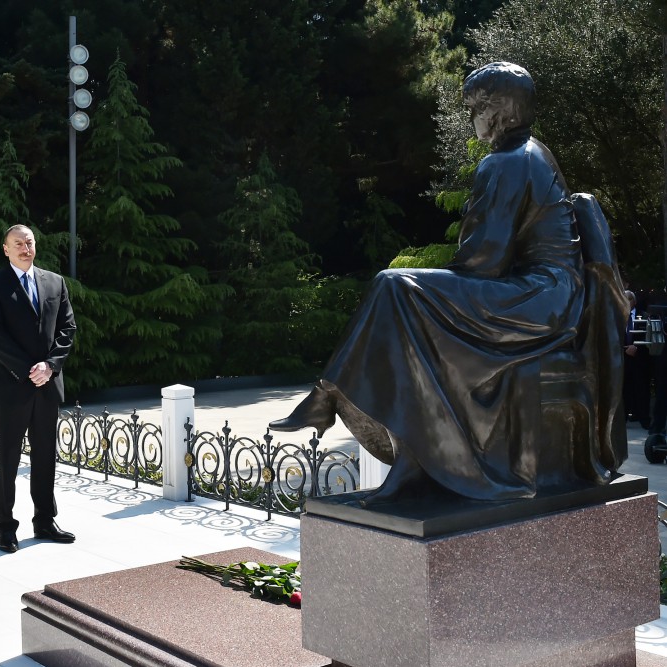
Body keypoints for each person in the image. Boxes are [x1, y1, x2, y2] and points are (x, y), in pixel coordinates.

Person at [270, 62, 626, 503]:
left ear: (497, 110)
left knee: (395, 286)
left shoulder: (508, 162)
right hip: (549, 295)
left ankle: (330, 396)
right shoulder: (531, 152)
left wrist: (438, 282)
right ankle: (407, 459)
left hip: (540, 298)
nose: (470, 118)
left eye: (474, 107)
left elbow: (482, 263)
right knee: (403, 298)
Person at [0, 224, 77, 552]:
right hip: (12, 388)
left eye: (29, 242)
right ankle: (6, 527)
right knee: (8, 459)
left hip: (47, 386)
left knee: (46, 456)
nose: (25, 248)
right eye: (17, 243)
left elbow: (67, 327)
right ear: (5, 249)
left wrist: (49, 366)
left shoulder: (54, 282)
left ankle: (45, 521)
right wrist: (26, 369)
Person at [622, 290, 651, 428]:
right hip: (622, 359)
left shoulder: (644, 317)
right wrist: (625, 349)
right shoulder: (616, 317)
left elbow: (648, 337)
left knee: (641, 389)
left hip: (639, 360)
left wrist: (636, 348)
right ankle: (622, 419)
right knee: (624, 390)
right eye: (624, 299)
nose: (626, 302)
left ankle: (644, 419)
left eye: (629, 299)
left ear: (635, 301)